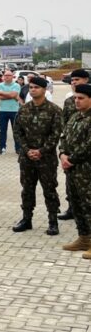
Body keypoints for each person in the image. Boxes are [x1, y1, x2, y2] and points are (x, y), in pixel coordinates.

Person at [11, 77, 63, 236]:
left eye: (36, 87)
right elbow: (17, 132)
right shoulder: (24, 109)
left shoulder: (54, 110)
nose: (33, 90)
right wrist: (27, 150)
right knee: (27, 189)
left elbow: (56, 135)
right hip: (27, 158)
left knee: (49, 190)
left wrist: (41, 151)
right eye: (31, 87)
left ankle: (53, 222)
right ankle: (27, 219)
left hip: (46, 159)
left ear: (44, 90)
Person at [59, 83, 91, 258]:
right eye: (76, 98)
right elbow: (63, 136)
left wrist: (71, 159)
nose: (77, 101)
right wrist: (62, 154)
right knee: (77, 204)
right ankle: (84, 238)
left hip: (86, 170)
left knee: (89, 205)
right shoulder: (75, 117)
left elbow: (88, 146)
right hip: (72, 170)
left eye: (81, 98)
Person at [58, 69, 90, 221]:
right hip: (70, 157)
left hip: (84, 159)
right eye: (72, 80)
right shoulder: (70, 103)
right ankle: (72, 209)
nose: (74, 82)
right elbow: (64, 128)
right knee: (72, 188)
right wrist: (63, 154)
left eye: (77, 79)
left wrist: (72, 158)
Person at [0, 70, 22, 155]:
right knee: (3, 130)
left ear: (12, 77)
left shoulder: (16, 85)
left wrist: (3, 94)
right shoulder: (0, 85)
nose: (7, 77)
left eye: (9, 75)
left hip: (14, 110)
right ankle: (2, 148)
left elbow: (13, 95)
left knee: (16, 130)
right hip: (2, 110)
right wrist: (11, 95)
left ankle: (18, 148)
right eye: (5, 75)